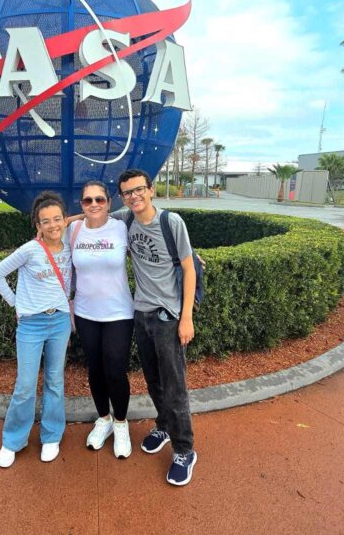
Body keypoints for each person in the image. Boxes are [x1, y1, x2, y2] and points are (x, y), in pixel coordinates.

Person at [110, 168, 198, 486]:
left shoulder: (170, 223)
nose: (134, 197)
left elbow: (189, 270)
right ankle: (163, 425)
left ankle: (184, 450)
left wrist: (185, 316)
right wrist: (61, 222)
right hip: (141, 314)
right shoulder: (126, 218)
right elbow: (92, 214)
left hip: (168, 315)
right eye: (127, 193)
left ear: (151, 189)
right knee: (153, 380)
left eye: (138, 190)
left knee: (175, 386)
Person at [0, 191, 72, 468]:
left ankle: (51, 435)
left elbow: (87, 218)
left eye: (57, 219)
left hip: (59, 321)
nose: (52, 225)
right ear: (37, 225)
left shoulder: (70, 244)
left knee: (55, 381)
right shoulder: (29, 249)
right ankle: (13, 440)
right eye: (45, 221)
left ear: (64, 220)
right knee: (25, 386)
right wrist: (16, 304)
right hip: (31, 324)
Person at [69, 181, 134, 459]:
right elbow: (47, 235)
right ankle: (104, 419)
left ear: (109, 202)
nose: (94, 204)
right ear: (81, 205)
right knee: (94, 369)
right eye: (87, 201)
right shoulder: (73, 230)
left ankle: (121, 423)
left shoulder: (122, 227)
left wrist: (188, 255)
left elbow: (153, 237)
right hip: (85, 313)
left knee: (115, 371)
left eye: (99, 199)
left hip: (119, 313)